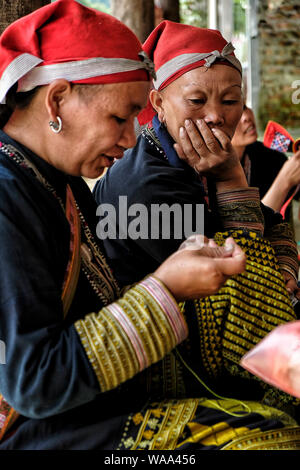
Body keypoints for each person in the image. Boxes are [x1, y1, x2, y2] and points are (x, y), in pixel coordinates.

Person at [0, 0, 252, 450]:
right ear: (57, 99)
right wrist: (167, 289)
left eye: (231, 100)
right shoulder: (7, 196)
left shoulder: (60, 181)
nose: (130, 138)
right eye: (119, 118)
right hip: (39, 432)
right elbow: (35, 382)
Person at [232, 104, 300, 214]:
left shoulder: (271, 157)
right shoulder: (197, 177)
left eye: (243, 107)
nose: (246, 117)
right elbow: (196, 230)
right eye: (233, 113)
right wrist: (284, 181)